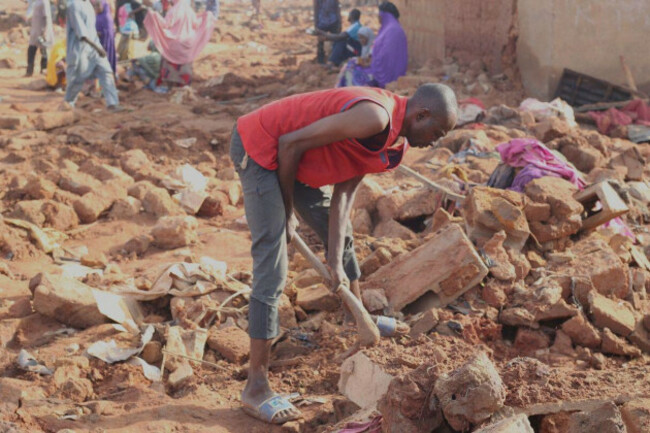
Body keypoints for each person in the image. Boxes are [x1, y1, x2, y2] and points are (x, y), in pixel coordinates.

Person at [231, 83, 458, 424]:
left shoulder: (393, 145)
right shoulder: (374, 116)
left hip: (296, 162)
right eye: (437, 131)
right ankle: (256, 387)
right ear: (421, 114)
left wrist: (335, 260)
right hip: (262, 148)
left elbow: (344, 195)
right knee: (273, 262)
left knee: (341, 234)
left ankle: (359, 317)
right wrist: (288, 210)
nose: (437, 140)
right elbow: (288, 142)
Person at [144, 0, 216, 90]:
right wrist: (206, 17)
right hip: (187, 44)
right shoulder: (190, 11)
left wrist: (153, 16)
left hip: (174, 44)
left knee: (168, 65)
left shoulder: (174, 10)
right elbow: (196, 24)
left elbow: (166, 24)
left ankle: (167, 86)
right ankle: (184, 86)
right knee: (185, 67)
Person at [64, 0, 120, 110]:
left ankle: (112, 104)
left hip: (94, 47)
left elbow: (90, 28)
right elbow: (82, 33)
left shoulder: (88, 5)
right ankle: (67, 104)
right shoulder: (74, 5)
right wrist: (98, 48)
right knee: (78, 79)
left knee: (106, 72)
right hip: (81, 50)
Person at [337, 1, 407, 88]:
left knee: (350, 69)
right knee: (351, 63)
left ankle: (350, 96)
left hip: (384, 74)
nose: (378, 17)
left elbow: (386, 57)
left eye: (379, 14)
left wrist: (370, 61)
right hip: (380, 66)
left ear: (384, 15)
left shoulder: (392, 30)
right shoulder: (389, 28)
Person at [26, 0, 54, 77]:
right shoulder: (37, 1)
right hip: (35, 31)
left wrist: (44, 31)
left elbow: (47, 17)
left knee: (43, 52)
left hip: (41, 31)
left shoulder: (44, 2)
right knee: (31, 50)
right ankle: (29, 71)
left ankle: (43, 70)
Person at [91, 0, 117, 74]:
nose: (96, 8)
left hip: (103, 42)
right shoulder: (101, 16)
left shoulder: (105, 18)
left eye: (97, 6)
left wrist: (96, 34)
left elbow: (104, 34)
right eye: (95, 6)